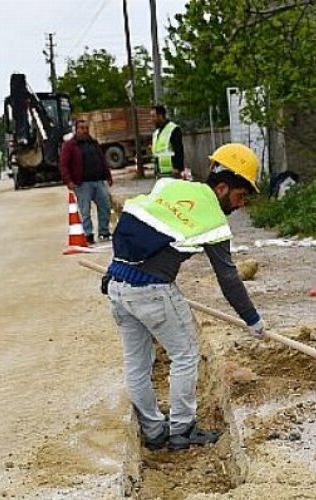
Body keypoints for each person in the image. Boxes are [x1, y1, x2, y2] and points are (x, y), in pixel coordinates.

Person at [104, 143, 265, 451]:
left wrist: (114, 270)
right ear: (221, 188)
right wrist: (253, 320)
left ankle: (153, 431)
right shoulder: (213, 220)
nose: (241, 204)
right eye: (240, 195)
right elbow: (229, 279)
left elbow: (134, 226)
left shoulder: (170, 186)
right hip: (152, 290)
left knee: (137, 363)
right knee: (186, 354)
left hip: (117, 284)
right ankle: (182, 429)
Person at [60, 119, 114, 244]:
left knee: (105, 206)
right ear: (76, 130)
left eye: (86, 128)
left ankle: (104, 232)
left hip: (99, 181)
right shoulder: (70, 146)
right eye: (82, 128)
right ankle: (88, 234)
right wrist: (68, 181)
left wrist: (108, 176)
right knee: (85, 210)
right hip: (82, 183)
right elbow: (63, 164)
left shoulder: (93, 143)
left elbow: (102, 160)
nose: (84, 130)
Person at [151, 105, 184, 179]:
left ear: (160, 116)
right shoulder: (156, 132)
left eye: (153, 116)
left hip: (171, 171)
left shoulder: (173, 129)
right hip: (160, 171)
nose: (151, 119)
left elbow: (178, 150)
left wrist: (177, 168)